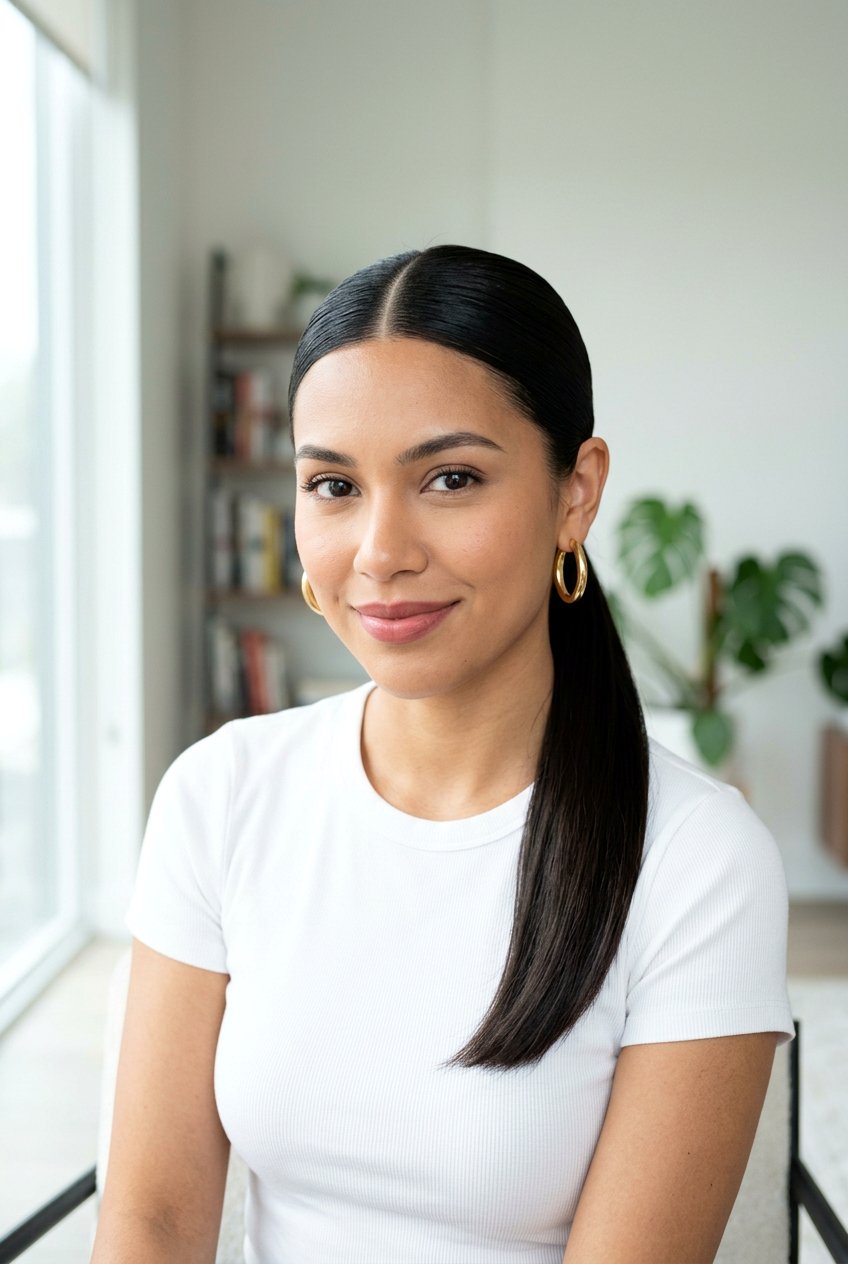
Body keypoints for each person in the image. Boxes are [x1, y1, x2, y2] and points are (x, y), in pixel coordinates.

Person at [91, 244, 795, 1264]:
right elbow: (150, 1217)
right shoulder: (221, 793)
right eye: (333, 485)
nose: (379, 550)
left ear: (574, 492)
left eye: (449, 477)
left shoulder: (694, 859)